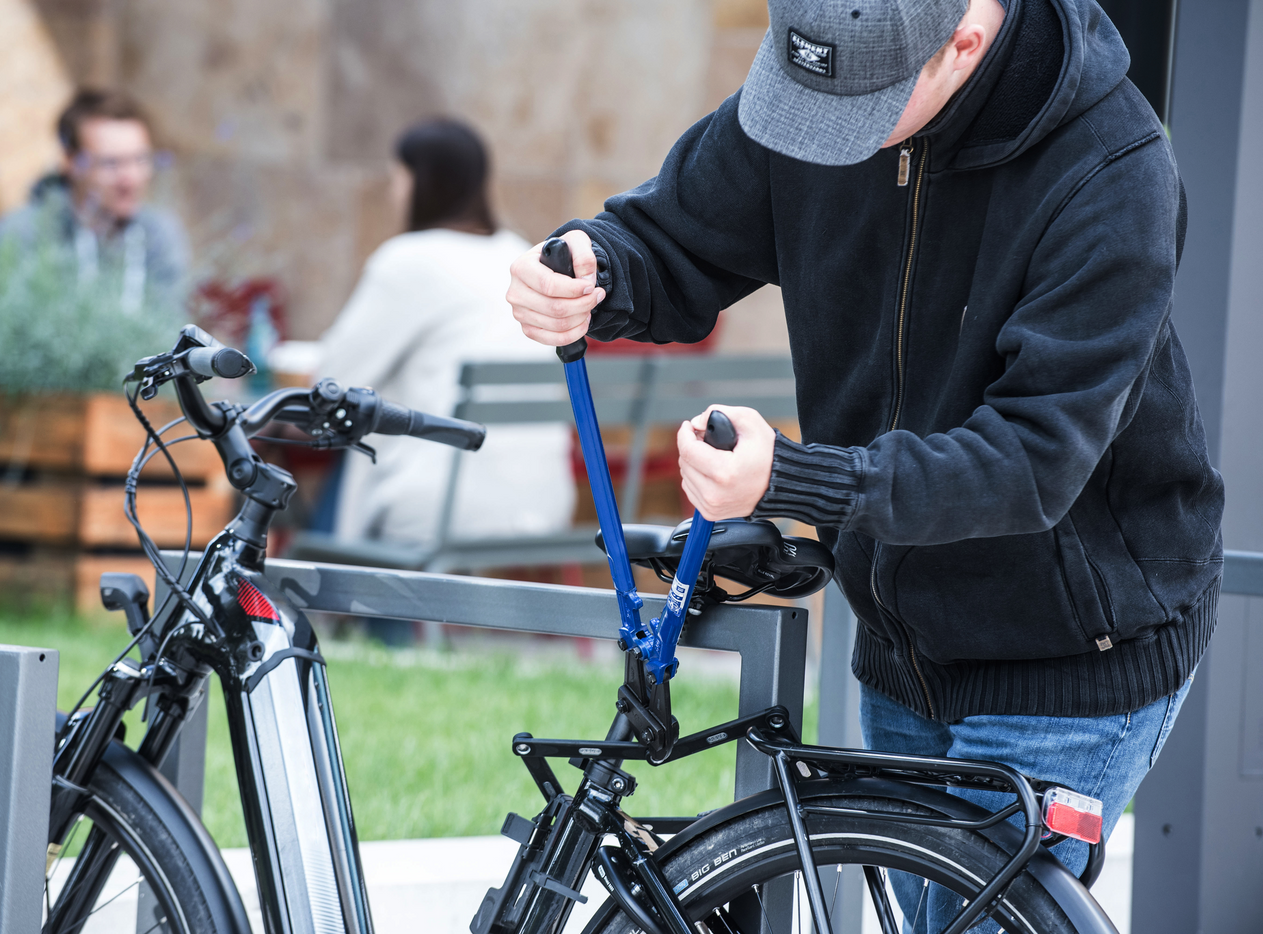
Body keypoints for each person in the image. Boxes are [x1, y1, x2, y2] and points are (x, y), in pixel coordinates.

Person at [507, 0, 1221, 927]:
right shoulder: (832, 66)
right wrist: (590, 266)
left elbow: (1032, 462)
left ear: (964, 39)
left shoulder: (1113, 170)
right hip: (900, 635)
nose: (822, 136)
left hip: (1069, 652)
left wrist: (790, 480)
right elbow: (673, 239)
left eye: (858, 108)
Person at [317, 117, 575, 547]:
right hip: (542, 502)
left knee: (342, 460)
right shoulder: (518, 255)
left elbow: (330, 381)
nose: (392, 192)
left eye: (398, 178)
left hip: (440, 505)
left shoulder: (409, 260)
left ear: (421, 183)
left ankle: (333, 613)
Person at [0, 88, 189, 312]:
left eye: (140, 160)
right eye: (111, 163)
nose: (130, 178)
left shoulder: (158, 233)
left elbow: (169, 326)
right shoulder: (22, 235)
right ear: (70, 162)